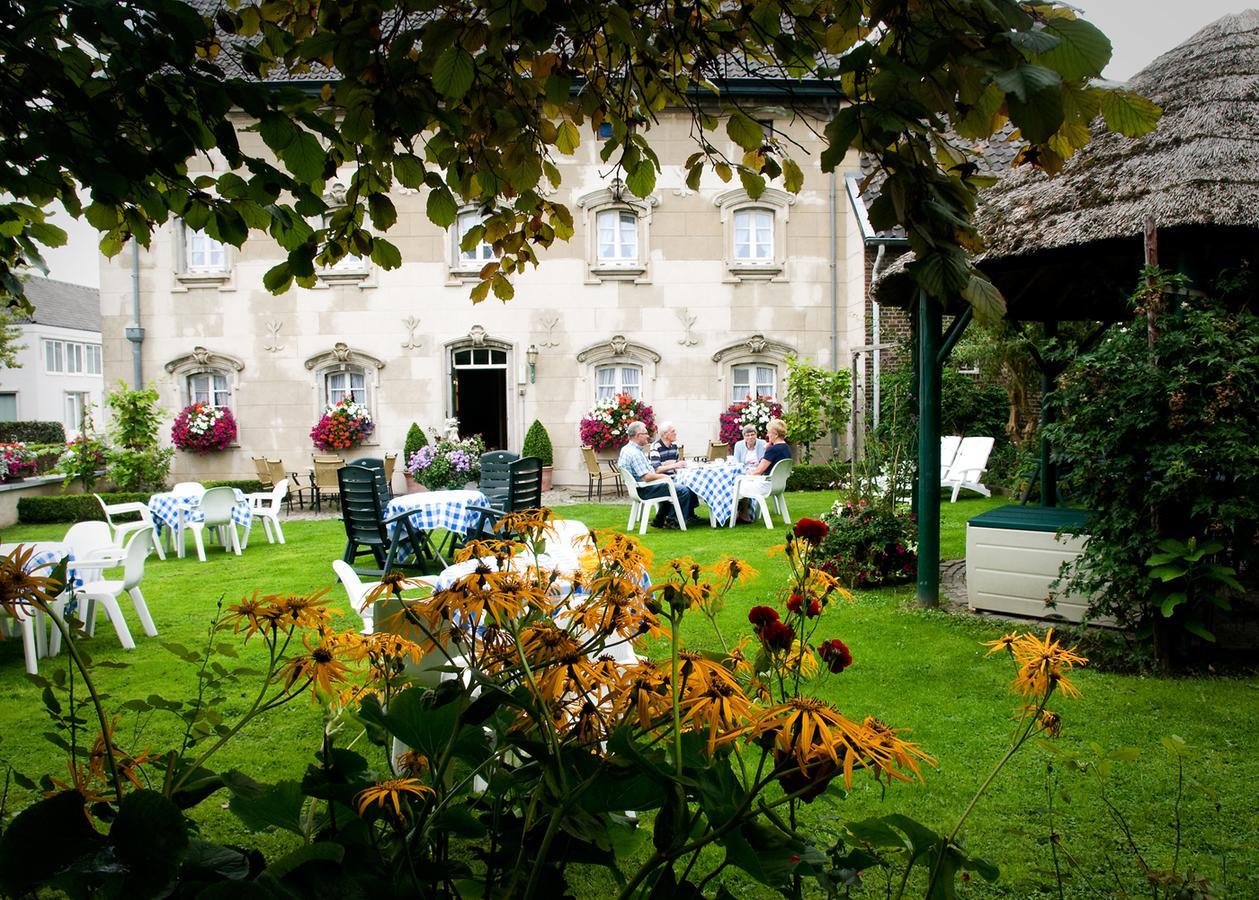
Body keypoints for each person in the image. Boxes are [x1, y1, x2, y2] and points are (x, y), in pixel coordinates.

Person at [617, 420, 700, 528]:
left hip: (638, 487)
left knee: (674, 486)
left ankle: (659, 519)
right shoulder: (635, 453)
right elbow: (647, 477)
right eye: (645, 434)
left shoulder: (626, 449)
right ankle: (672, 521)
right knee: (683, 490)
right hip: (644, 489)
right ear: (638, 436)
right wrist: (665, 477)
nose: (648, 436)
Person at [736, 418, 791, 523]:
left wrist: (747, 474)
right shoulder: (786, 448)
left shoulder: (773, 450)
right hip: (778, 485)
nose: (767, 435)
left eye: (769, 433)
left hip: (765, 486)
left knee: (738, 483)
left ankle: (742, 515)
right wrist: (768, 447)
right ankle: (745, 513)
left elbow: (758, 472)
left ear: (775, 435)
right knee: (742, 483)